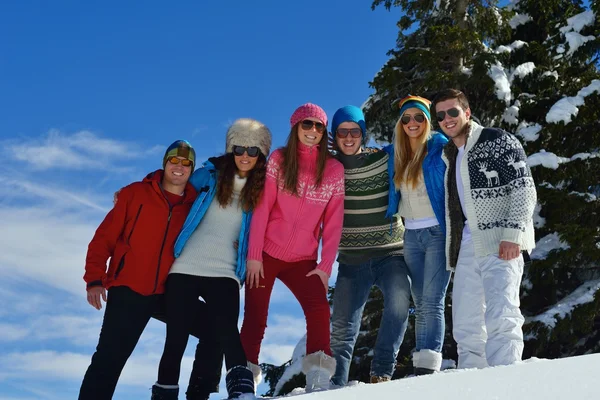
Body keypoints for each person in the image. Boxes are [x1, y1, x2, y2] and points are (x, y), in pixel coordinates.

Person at [151, 119, 272, 400]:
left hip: (226, 271)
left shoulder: (265, 190)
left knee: (227, 332)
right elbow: (171, 183)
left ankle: (234, 393)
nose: (245, 156)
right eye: (239, 148)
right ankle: (164, 395)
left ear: (261, 155)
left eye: (253, 151)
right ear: (231, 149)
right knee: (176, 338)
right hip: (186, 267)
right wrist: (139, 190)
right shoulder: (209, 175)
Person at [240, 103, 345, 392]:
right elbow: (262, 208)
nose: (312, 131)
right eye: (306, 125)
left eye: (318, 126)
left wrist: (324, 267)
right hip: (266, 255)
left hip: (303, 259)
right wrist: (254, 255)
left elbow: (334, 223)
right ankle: (243, 383)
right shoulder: (280, 159)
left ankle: (319, 379)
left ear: (324, 132)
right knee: (255, 317)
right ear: (296, 127)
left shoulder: (334, 170)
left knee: (319, 311)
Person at [80, 140, 197, 400]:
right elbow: (104, 239)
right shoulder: (135, 195)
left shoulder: (194, 205)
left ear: (192, 169)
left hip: (166, 292)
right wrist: (95, 279)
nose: (179, 167)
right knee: (109, 359)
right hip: (129, 288)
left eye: (186, 163)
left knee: (214, 326)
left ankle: (196, 393)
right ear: (165, 163)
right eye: (174, 161)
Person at [432, 89, 537, 368]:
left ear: (466, 112)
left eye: (452, 111)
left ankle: (505, 380)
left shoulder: (497, 139)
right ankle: (472, 383)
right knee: (466, 322)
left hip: (501, 239)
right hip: (468, 242)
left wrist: (513, 235)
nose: (447, 119)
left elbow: (524, 190)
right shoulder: (450, 154)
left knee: (502, 313)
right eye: (440, 115)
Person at [328, 105, 411, 385]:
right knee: (343, 326)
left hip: (391, 252)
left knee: (399, 303)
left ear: (362, 134)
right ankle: (336, 383)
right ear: (334, 135)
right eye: (343, 132)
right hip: (352, 258)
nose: (349, 137)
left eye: (355, 131)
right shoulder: (329, 168)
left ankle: (382, 371)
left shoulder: (382, 158)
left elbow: (415, 143)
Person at [389, 96, 451, 374]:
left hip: (438, 231)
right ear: (400, 124)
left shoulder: (439, 148)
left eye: (418, 117)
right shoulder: (397, 154)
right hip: (411, 235)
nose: (412, 123)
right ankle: (422, 363)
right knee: (420, 300)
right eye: (406, 118)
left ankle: (429, 363)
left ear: (427, 120)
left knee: (433, 298)